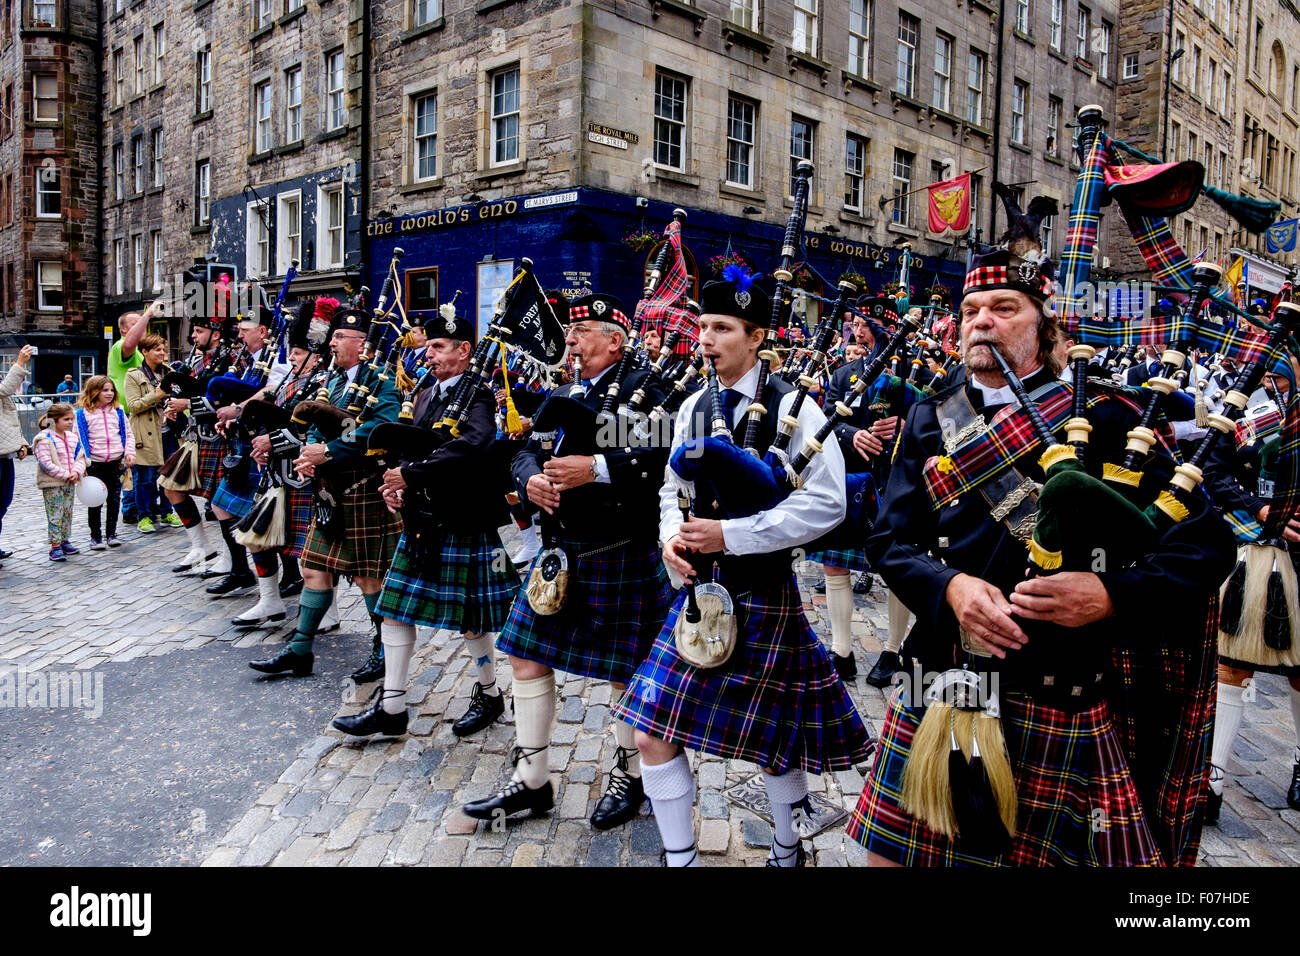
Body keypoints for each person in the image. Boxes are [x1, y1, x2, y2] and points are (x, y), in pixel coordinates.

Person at [849, 248, 1236, 867]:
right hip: (945, 669)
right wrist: (949, 587)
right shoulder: (930, 417)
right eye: (971, 309)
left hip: (1058, 682)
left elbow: (1208, 543)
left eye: (1005, 308)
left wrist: (1111, 596)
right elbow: (888, 542)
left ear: (1044, 325)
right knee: (889, 858)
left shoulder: (1106, 421)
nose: (982, 321)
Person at [613, 273, 871, 866]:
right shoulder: (694, 405)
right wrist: (669, 540)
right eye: (703, 327)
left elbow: (827, 503)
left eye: (723, 328)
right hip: (698, 595)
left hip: (763, 592)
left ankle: (786, 851)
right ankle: (680, 858)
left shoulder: (794, 404)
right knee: (652, 731)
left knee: (772, 743)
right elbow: (671, 487)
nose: (707, 338)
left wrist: (732, 534)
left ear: (756, 338)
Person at [462, 292, 674, 831]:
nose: (571, 343)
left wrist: (596, 467)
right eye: (571, 334)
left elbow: (660, 449)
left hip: (619, 549)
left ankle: (631, 774)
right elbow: (526, 447)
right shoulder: (562, 389)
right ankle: (533, 781)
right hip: (560, 553)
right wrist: (527, 478)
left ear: (615, 340)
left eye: (582, 334)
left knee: (625, 672)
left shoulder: (647, 390)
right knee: (525, 656)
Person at [336, 305, 521, 738]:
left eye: (438, 347)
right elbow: (409, 447)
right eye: (429, 347)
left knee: (472, 617)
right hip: (422, 518)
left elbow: (472, 446)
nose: (430, 355)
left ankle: (490, 694)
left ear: (464, 350)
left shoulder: (479, 393)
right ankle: (393, 707)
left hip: (463, 517)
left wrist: (411, 475)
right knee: (395, 612)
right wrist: (397, 482)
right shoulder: (424, 393)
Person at [248, 307, 403, 677]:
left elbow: (380, 430)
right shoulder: (330, 380)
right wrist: (309, 454)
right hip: (330, 492)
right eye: (332, 337)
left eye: (338, 337)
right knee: (314, 568)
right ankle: (300, 649)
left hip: (364, 489)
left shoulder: (383, 381)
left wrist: (329, 451)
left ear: (361, 343)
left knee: (368, 576)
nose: (330, 343)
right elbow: (314, 423)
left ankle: (383, 651)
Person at [1203, 356, 1300, 820]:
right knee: (1231, 663)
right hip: (1252, 551)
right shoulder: (1246, 411)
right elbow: (1214, 471)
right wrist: (1258, 509)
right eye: (1268, 368)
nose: (1270, 378)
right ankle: (1214, 777)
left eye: (1282, 369)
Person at [235, 297, 338, 631]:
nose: (290, 358)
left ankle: (330, 611)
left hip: (305, 475)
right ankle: (269, 600)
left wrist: (272, 442)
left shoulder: (323, 386)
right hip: (276, 474)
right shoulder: (288, 382)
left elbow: (314, 433)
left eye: (295, 353)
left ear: (315, 355)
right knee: (256, 536)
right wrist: (262, 443)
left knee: (315, 550)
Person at [206, 304, 292, 598]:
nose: (240, 335)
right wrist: (231, 420)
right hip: (247, 439)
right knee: (224, 506)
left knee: (263, 515)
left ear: (263, 331)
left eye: (245, 330)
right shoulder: (252, 359)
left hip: (266, 442)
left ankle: (286, 574)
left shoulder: (279, 359)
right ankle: (241, 570)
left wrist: (238, 409)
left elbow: (272, 392)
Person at [162, 299, 231, 573]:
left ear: (215, 333)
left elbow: (224, 400)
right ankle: (201, 546)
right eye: (194, 331)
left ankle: (230, 557)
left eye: (199, 331)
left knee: (219, 501)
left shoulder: (229, 359)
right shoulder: (194, 358)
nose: (193, 336)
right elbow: (183, 390)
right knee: (171, 486)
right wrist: (174, 406)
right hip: (194, 436)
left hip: (218, 437)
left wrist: (187, 405)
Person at [124, 334, 179, 532]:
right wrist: (156, 396)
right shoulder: (134, 375)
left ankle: (166, 512)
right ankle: (144, 516)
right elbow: (133, 406)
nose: (162, 353)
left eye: (163, 349)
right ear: (144, 352)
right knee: (145, 478)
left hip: (169, 432)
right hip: (146, 433)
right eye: (157, 349)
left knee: (168, 476)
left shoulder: (171, 372)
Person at [74, 375, 135, 548]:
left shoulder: (118, 411)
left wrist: (129, 452)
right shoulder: (82, 414)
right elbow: (78, 441)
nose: (109, 393)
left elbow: (128, 434)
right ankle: (96, 536)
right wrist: (81, 464)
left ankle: (111, 533)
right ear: (94, 392)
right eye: (104, 390)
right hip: (94, 463)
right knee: (95, 501)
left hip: (115, 462)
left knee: (114, 499)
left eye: (111, 390)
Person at [33, 403, 87, 561]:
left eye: (71, 419)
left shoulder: (72, 437)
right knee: (55, 514)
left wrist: (76, 471)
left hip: (70, 482)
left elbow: (80, 456)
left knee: (67, 512)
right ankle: (55, 545)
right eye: (66, 419)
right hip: (53, 484)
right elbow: (46, 463)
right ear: (54, 420)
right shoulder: (44, 438)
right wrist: (66, 474)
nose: (70, 422)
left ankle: (65, 539)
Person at [0, 345, 34, 564]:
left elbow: (7, 415)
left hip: (4, 455)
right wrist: (20, 363)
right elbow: (4, 390)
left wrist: (21, 443)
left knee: (4, 501)